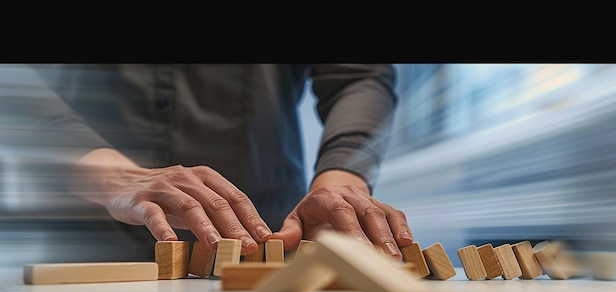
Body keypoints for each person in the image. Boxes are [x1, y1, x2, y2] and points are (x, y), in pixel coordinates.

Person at [12, 64, 414, 262]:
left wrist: (340, 184)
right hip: (85, 243)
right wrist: (108, 174)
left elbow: (357, 75)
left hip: (263, 246)